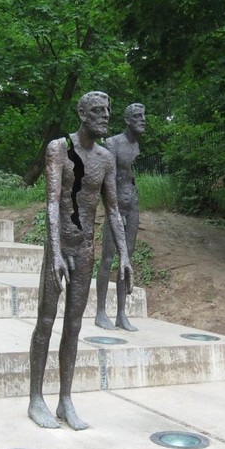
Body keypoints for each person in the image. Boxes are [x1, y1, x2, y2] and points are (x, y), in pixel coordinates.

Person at [28, 91, 134, 430]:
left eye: (108, 110)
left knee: (73, 326)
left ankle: (65, 400)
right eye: (98, 110)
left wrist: (125, 255)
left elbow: (113, 209)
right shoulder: (59, 148)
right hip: (60, 247)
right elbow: (51, 202)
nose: (106, 115)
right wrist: (56, 252)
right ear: (83, 114)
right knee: (46, 321)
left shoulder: (105, 159)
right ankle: (35, 399)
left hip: (85, 250)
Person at [95, 103, 146, 332]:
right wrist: (112, 209)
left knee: (127, 259)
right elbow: (108, 181)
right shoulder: (113, 143)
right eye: (137, 116)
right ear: (127, 120)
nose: (142, 119)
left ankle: (121, 314)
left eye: (143, 116)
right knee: (108, 257)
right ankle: (100, 312)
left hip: (132, 204)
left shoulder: (136, 145)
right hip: (115, 206)